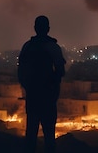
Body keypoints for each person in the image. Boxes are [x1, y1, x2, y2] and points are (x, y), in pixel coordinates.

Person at [18, 15, 66, 152]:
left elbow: (21, 72)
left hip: (33, 97)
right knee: (49, 135)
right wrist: (52, 87)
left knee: (31, 134)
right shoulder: (53, 47)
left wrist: (29, 87)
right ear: (48, 29)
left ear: (35, 28)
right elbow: (60, 71)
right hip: (48, 98)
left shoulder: (27, 47)